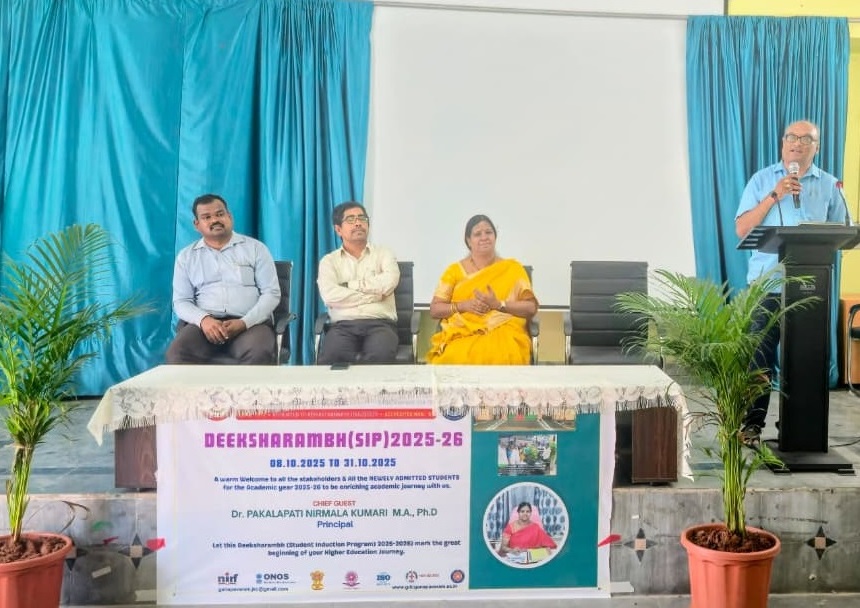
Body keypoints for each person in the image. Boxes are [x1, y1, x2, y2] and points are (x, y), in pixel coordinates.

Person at [734, 120, 847, 444]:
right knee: (758, 357)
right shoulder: (762, 180)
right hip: (767, 286)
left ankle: (798, 427)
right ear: (783, 143)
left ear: (816, 147)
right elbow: (742, 229)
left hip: (811, 287)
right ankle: (752, 426)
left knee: (805, 358)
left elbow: (841, 232)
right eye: (791, 137)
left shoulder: (830, 185)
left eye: (805, 139)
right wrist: (775, 195)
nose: (797, 143)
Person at [166, 194, 280, 365]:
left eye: (220, 214)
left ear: (229, 217)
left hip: (249, 324)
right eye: (207, 217)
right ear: (197, 224)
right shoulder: (186, 257)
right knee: (177, 353)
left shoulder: (256, 249)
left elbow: (271, 294)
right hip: (205, 325)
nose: (215, 220)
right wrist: (204, 320)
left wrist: (244, 322)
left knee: (258, 352)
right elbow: (181, 301)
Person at [426, 214, 538, 364]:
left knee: (502, 355)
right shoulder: (454, 271)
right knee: (455, 357)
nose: (484, 237)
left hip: (504, 330)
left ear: (495, 237)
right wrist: (462, 306)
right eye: (477, 234)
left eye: (488, 232)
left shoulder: (513, 269)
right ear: (468, 241)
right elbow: (435, 310)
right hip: (463, 333)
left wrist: (499, 305)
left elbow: (531, 307)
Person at [316, 201, 400, 365]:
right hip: (342, 326)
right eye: (350, 219)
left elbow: (389, 282)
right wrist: (375, 296)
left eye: (362, 218)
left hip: (380, 324)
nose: (358, 223)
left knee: (380, 358)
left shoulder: (384, 254)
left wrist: (350, 286)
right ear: (338, 229)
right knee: (332, 359)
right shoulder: (329, 261)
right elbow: (330, 296)